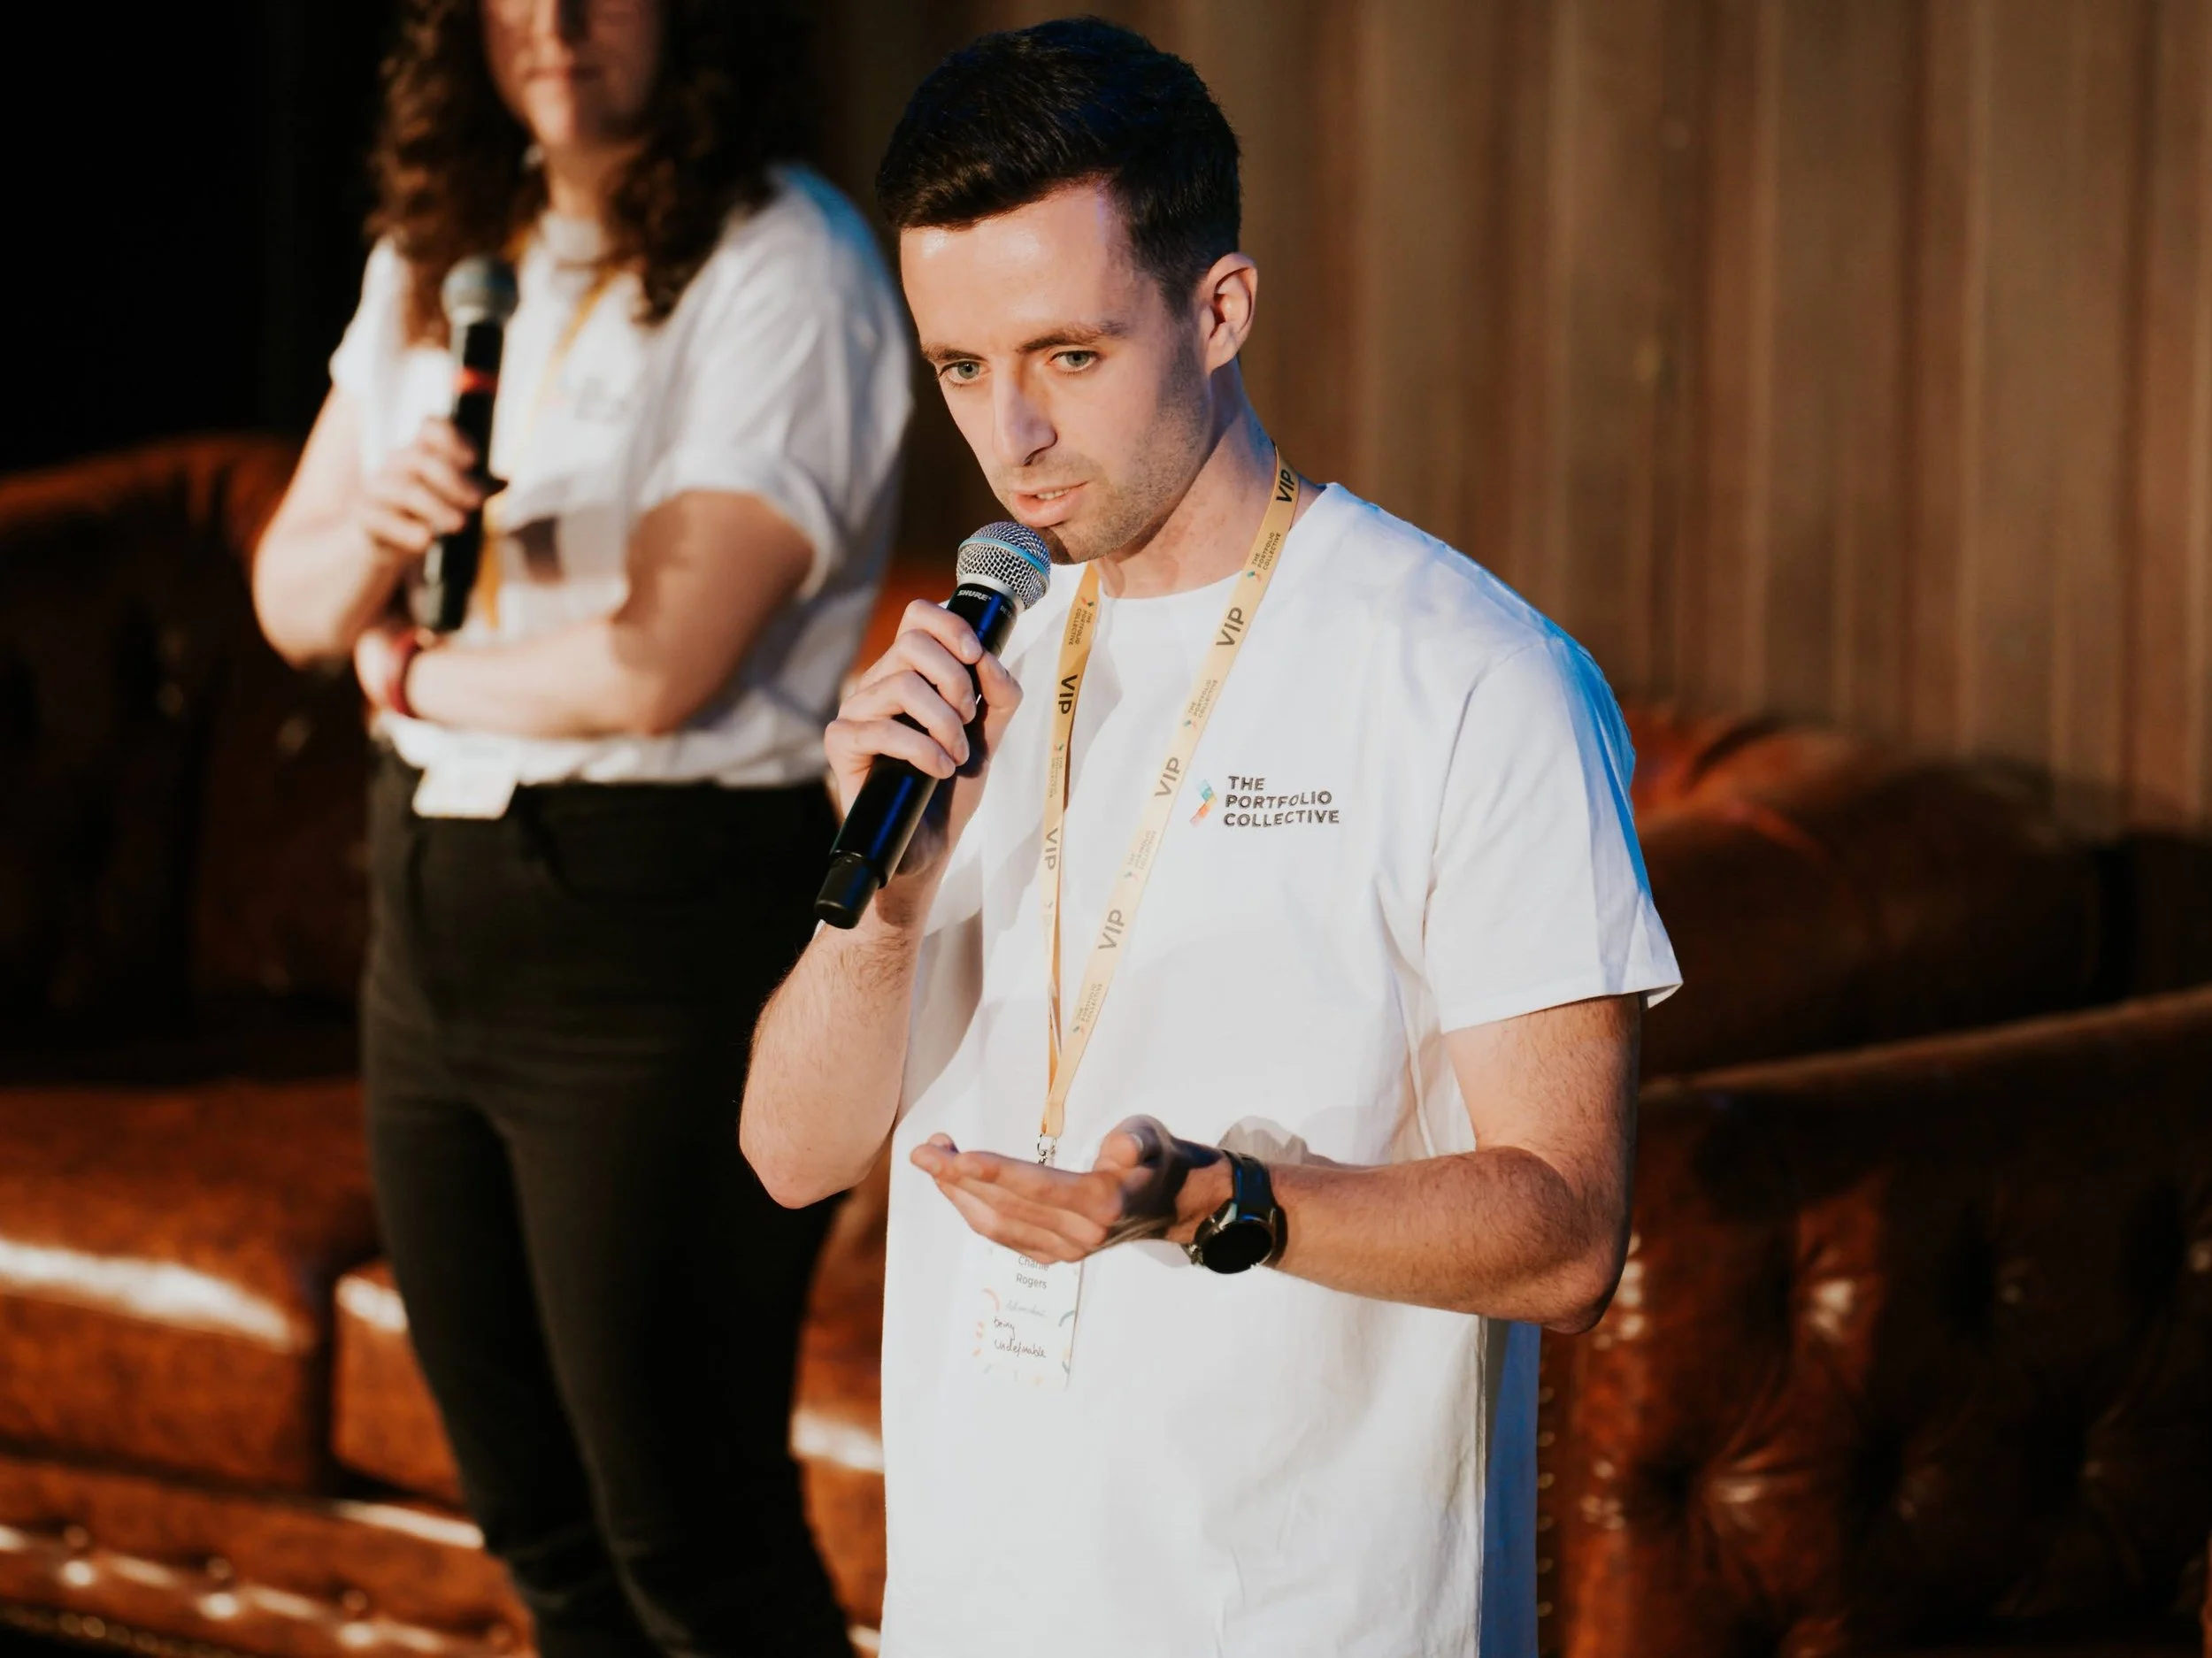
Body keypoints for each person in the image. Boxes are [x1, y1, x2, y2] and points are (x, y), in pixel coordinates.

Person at [741, 18, 1680, 1656]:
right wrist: (878, 913)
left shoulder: (1473, 675)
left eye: (1069, 356)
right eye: (963, 369)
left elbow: (1567, 1230)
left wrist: (1207, 1202)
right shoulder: (974, 660)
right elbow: (790, 1153)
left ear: (1221, 306)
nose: (1012, 436)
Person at [251, 1, 910, 1652]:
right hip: (437, 909)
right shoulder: (440, 250)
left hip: (657, 936)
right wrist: (369, 556)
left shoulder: (786, 263)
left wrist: (401, 658)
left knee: (689, 1536)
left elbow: (659, 666)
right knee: (537, 1529)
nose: (549, 20)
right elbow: (286, 593)